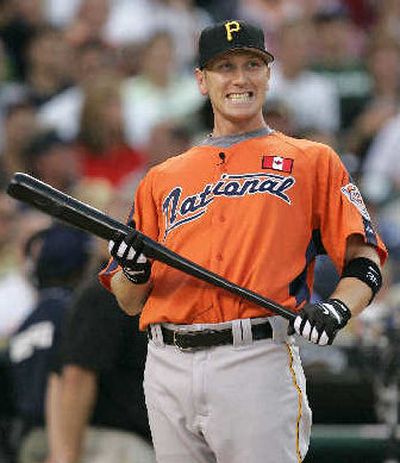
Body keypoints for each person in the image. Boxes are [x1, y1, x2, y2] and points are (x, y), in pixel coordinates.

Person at [100, 20, 388, 463]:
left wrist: (337, 307)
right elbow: (128, 299)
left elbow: (365, 260)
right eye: (225, 67)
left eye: (253, 64)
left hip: (254, 358)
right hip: (166, 362)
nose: (240, 78)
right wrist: (135, 270)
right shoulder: (161, 178)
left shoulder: (311, 160)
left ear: (268, 75)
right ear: (201, 80)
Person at [8, 224, 92, 463]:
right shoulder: (75, 315)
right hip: (68, 440)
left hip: (27, 440)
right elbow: (68, 378)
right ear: (81, 267)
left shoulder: (26, 321)